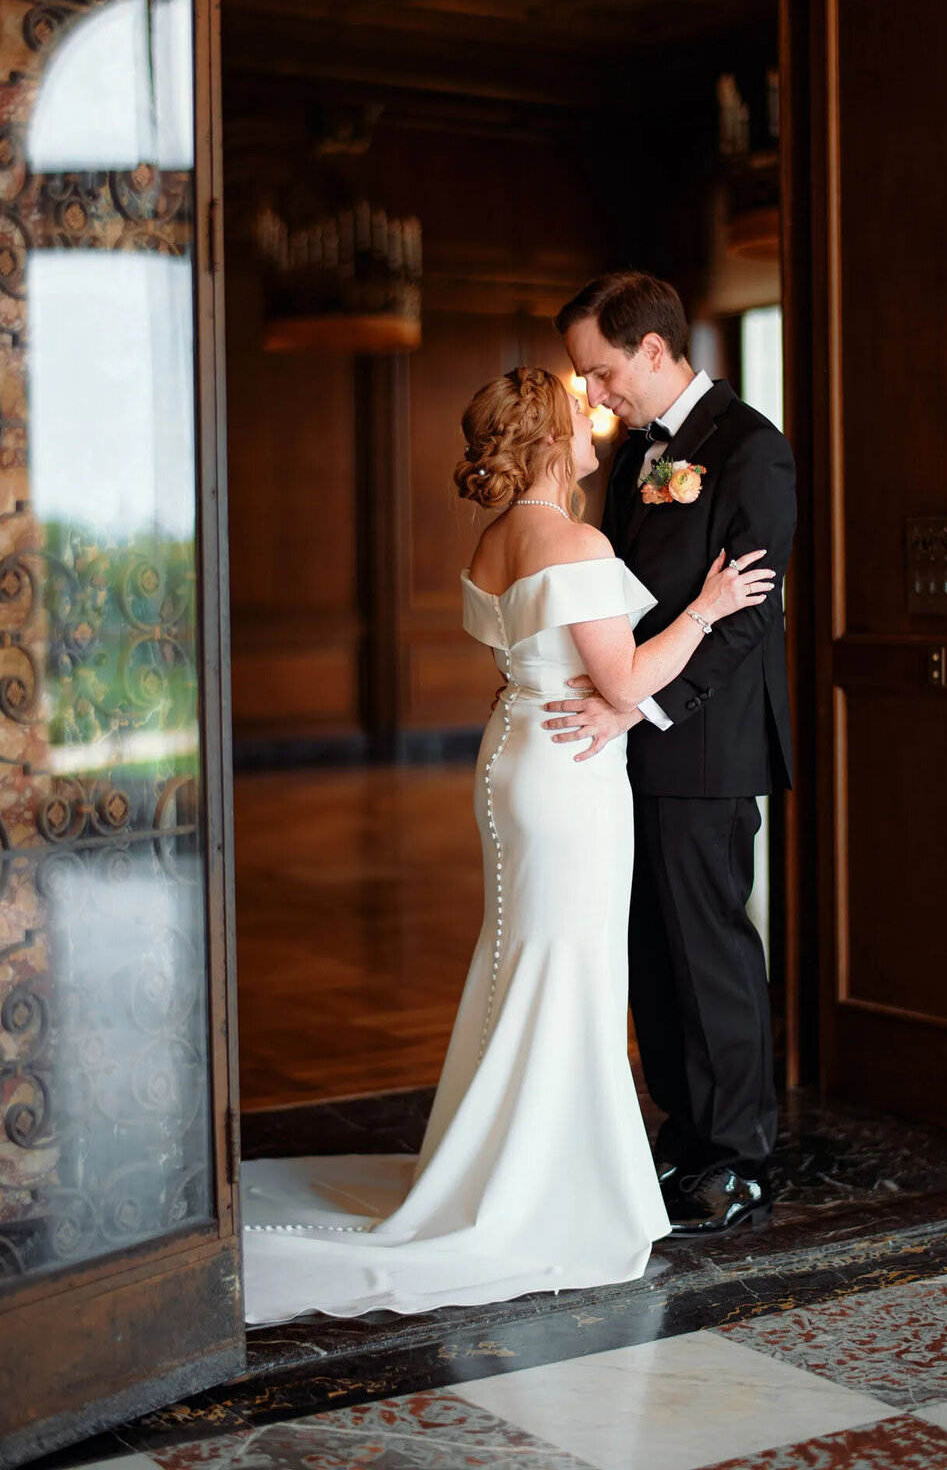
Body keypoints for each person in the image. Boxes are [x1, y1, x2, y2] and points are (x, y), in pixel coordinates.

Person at [238, 365, 774, 1323]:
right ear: (544, 442)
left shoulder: (493, 543)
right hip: (570, 773)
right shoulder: (574, 539)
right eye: (578, 419)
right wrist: (709, 605)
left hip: (513, 757)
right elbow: (622, 683)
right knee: (569, 966)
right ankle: (552, 1174)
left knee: (521, 957)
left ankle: (523, 1151)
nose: (595, 431)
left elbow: (522, 657)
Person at [546, 271, 796, 1236]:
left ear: (653, 349)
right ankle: (685, 1135)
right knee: (649, 953)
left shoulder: (752, 451)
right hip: (630, 734)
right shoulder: (637, 458)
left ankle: (738, 1159)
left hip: (704, 747)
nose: (595, 394)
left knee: (711, 953)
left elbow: (747, 621)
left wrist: (640, 707)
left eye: (601, 372)